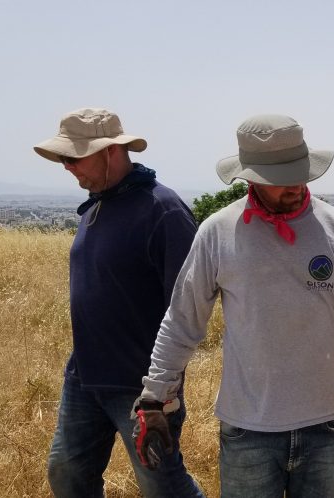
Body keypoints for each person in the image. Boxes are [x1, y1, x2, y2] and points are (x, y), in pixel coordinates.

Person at [132, 114, 334, 497]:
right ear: (251, 177)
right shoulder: (218, 232)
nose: (294, 184)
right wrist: (155, 396)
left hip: (326, 426)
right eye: (280, 177)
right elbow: (183, 321)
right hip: (247, 431)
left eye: (299, 171)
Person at [33, 108, 203, 497]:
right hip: (84, 376)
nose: (67, 167)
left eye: (74, 157)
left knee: (164, 486)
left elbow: (188, 309)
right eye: (63, 159)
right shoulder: (96, 204)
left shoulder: (164, 210)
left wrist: (161, 392)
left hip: (140, 386)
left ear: (110, 150)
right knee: (67, 475)